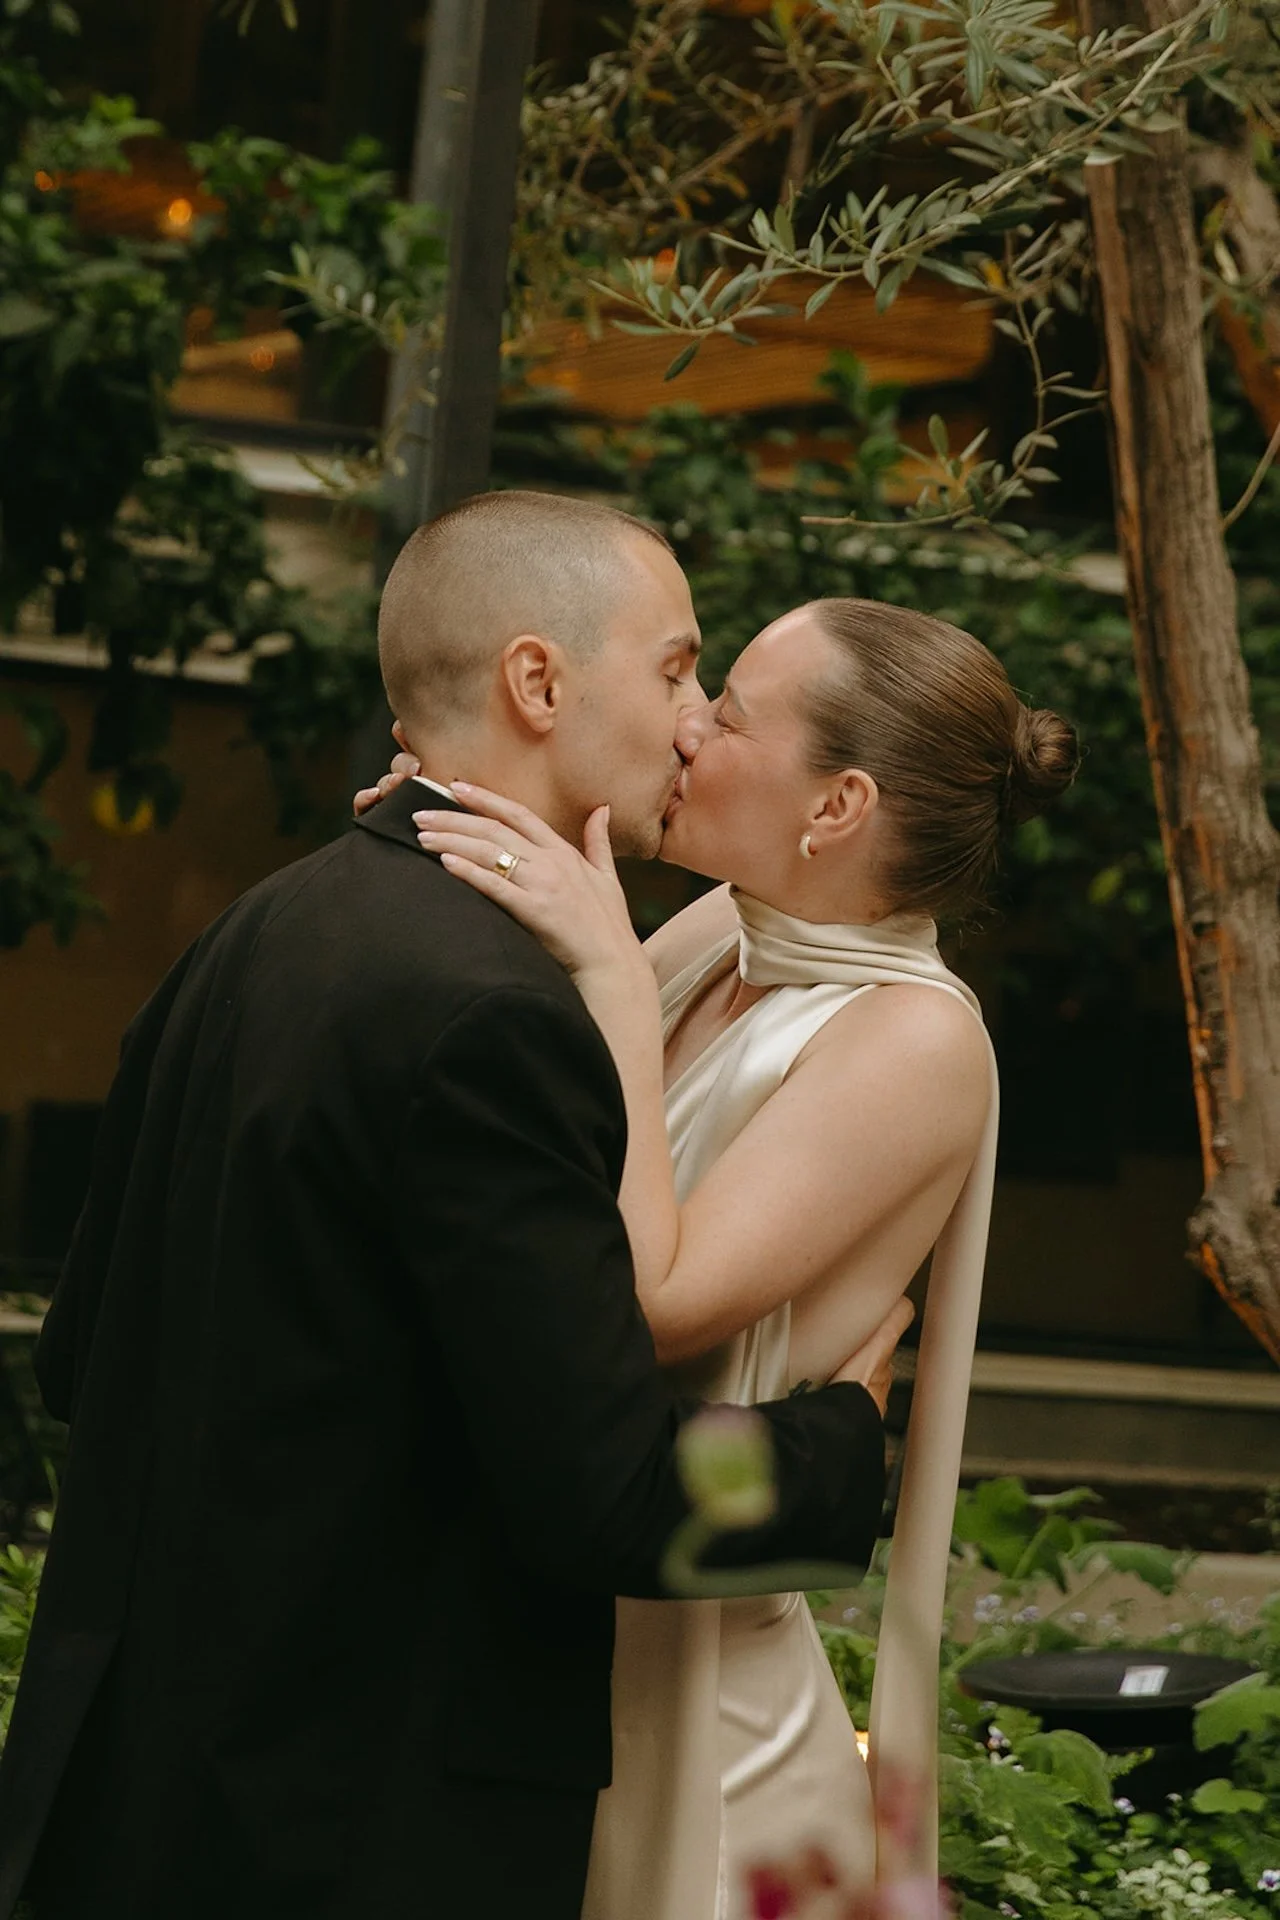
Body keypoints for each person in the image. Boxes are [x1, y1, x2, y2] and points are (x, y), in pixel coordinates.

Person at [0, 494, 908, 1920]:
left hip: (128, 1789)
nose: (691, 720)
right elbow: (605, 1493)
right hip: (354, 1829)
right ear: (537, 683)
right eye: (676, 669)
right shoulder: (494, 1018)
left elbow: (79, 1353)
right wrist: (835, 1444)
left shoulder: (262, 925)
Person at [366, 593, 1079, 1916]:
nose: (687, 729)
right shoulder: (714, 937)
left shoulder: (918, 1040)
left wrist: (616, 993)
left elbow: (654, 1299)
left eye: (732, 711)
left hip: (697, 1680)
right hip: (560, 1621)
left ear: (837, 805)